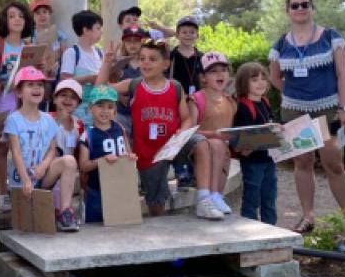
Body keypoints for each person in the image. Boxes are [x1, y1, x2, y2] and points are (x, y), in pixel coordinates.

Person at [268, 0, 345, 234]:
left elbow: (344, 75)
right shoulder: (281, 44)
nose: (300, 8)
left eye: (304, 4)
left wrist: (343, 107)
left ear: (312, 7)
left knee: (333, 162)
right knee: (303, 162)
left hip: (327, 110)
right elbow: (275, 78)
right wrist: (293, 95)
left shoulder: (331, 37)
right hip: (294, 111)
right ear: (287, 11)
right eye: (294, 5)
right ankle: (308, 217)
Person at [96, 39, 192, 216]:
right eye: (142, 58)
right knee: (156, 204)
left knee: (203, 143)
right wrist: (107, 63)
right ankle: (158, 233)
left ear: (165, 64)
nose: (145, 62)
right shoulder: (133, 84)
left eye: (152, 59)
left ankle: (207, 195)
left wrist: (182, 132)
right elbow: (100, 90)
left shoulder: (176, 87)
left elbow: (187, 118)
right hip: (148, 153)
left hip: (172, 145)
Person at [3, 66, 80, 232]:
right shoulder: (13, 119)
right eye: (30, 84)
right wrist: (26, 180)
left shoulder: (48, 119)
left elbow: (52, 149)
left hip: (42, 175)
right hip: (21, 179)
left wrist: (44, 166)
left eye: (39, 84)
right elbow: (15, 152)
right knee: (27, 230)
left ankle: (65, 211)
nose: (37, 88)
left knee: (69, 161)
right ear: (19, 92)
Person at [0, 1, 34, 211]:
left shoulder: (30, 47)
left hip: (25, 104)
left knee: (23, 147)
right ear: (5, 21)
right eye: (12, 16)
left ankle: (24, 187)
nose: (17, 19)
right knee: (3, 147)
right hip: (3, 103)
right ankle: (3, 193)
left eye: (21, 16)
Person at [187, 52, 237, 220]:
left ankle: (215, 196)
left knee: (218, 145)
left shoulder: (230, 101)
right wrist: (213, 134)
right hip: (201, 153)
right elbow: (190, 131)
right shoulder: (196, 99)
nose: (220, 74)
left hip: (222, 157)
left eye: (223, 70)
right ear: (203, 77)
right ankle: (207, 198)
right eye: (213, 71)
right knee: (215, 143)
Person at [77, 85, 136, 223]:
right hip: (97, 191)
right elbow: (83, 166)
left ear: (115, 111)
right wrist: (102, 160)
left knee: (122, 227)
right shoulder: (87, 135)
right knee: (95, 231)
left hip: (121, 189)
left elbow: (128, 152)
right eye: (100, 106)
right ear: (91, 108)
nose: (105, 111)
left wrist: (130, 157)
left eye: (110, 107)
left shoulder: (120, 128)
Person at [233, 62, 278, 225]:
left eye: (263, 78)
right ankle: (249, 229)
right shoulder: (242, 106)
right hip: (253, 161)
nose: (261, 82)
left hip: (269, 159)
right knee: (252, 198)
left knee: (269, 197)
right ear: (244, 82)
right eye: (254, 79)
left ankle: (271, 231)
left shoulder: (265, 102)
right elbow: (241, 137)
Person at [60, 10, 104, 124]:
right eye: (98, 28)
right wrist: (87, 78)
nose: (101, 32)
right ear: (86, 30)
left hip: (99, 111)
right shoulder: (72, 53)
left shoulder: (100, 53)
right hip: (77, 112)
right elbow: (64, 82)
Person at [114, 26, 147, 135]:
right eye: (129, 41)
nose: (132, 45)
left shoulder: (148, 63)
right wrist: (119, 97)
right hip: (122, 114)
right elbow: (106, 86)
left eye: (137, 41)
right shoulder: (118, 63)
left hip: (144, 115)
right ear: (124, 43)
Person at [168, 16, 203, 95]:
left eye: (192, 32)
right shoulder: (171, 56)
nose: (188, 35)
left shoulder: (202, 57)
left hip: (197, 99)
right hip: (176, 97)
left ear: (197, 35)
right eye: (184, 32)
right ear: (177, 35)